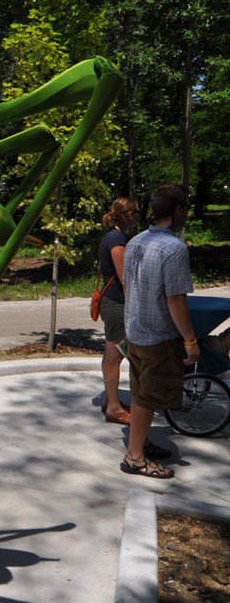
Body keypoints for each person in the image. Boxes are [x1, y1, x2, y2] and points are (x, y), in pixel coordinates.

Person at [120, 184, 199, 478]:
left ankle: (141, 443)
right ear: (178, 210)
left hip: (136, 330)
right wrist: (190, 340)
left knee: (141, 391)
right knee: (147, 396)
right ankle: (135, 458)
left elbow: (129, 285)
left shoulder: (135, 242)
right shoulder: (174, 248)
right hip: (159, 335)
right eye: (186, 209)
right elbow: (175, 299)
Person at [97, 197, 139, 424]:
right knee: (115, 356)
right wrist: (134, 305)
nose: (138, 216)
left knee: (112, 354)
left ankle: (110, 400)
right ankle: (113, 408)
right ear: (128, 215)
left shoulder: (115, 236)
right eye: (137, 212)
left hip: (113, 302)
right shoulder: (117, 238)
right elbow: (124, 277)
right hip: (117, 304)